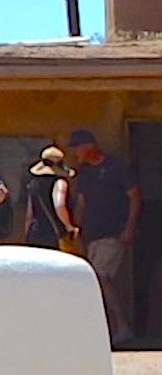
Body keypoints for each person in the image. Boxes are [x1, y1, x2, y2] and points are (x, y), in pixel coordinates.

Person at [64, 133, 140, 346]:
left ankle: (122, 327)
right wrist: (77, 229)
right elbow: (81, 203)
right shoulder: (85, 173)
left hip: (113, 233)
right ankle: (110, 329)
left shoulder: (116, 167)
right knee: (98, 280)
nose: (75, 153)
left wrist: (129, 228)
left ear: (89, 146)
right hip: (92, 235)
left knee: (100, 276)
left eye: (77, 147)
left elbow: (134, 196)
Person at [25, 146, 72, 251]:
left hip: (35, 233)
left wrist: (27, 234)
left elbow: (29, 214)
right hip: (53, 234)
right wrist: (69, 226)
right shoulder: (59, 183)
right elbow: (60, 206)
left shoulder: (33, 184)